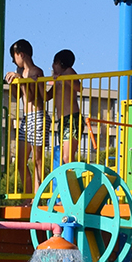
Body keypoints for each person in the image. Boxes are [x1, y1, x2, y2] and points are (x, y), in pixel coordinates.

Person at [6, 39, 47, 186]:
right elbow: (18, 96)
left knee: (37, 159)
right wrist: (13, 82)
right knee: (20, 161)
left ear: (20, 54)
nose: (13, 61)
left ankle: (38, 196)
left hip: (37, 116)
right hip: (26, 117)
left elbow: (33, 97)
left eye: (14, 57)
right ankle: (27, 195)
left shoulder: (36, 72)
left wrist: (22, 80)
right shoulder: (21, 73)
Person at [49, 48, 83, 165]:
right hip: (62, 121)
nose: (52, 66)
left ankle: (73, 181)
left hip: (72, 118)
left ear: (59, 63)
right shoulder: (58, 78)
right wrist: (38, 83)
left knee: (67, 157)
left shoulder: (69, 72)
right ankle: (70, 181)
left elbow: (79, 88)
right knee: (65, 158)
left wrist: (63, 78)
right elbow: (47, 96)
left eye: (54, 63)